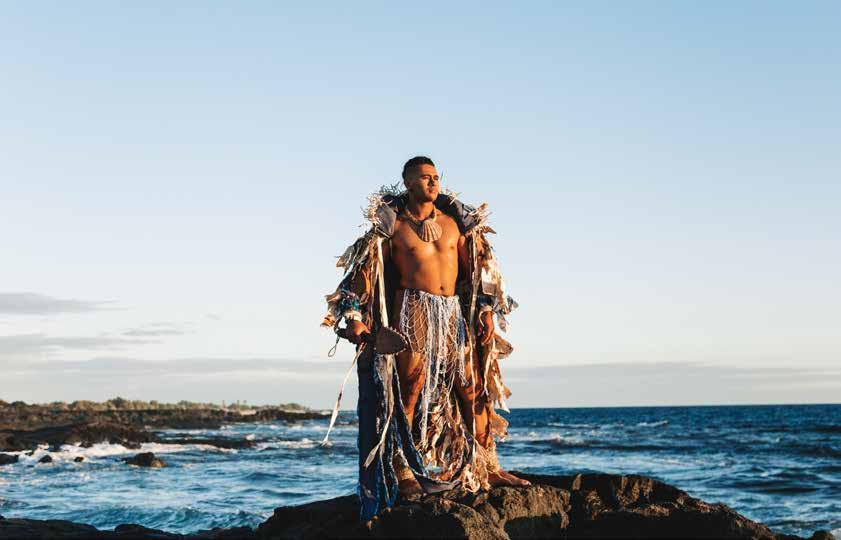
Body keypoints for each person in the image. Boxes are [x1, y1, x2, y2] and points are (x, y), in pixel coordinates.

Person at [321, 156, 528, 521]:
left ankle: (488, 467)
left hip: (451, 314)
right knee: (409, 390)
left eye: (435, 177)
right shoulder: (393, 229)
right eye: (424, 177)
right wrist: (353, 318)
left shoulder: (453, 225)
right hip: (412, 309)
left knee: (471, 387)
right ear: (408, 183)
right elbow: (364, 274)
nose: (433, 182)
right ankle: (403, 472)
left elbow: (477, 273)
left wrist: (485, 313)